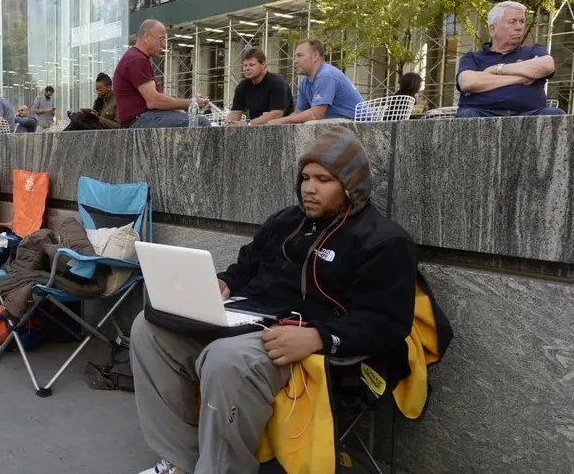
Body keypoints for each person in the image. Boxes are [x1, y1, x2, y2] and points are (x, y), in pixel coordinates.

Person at [131, 126, 417, 474]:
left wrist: (319, 337)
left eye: (323, 180)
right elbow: (247, 264)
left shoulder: (383, 241)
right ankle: (181, 461)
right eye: (306, 177)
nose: (309, 188)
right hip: (246, 316)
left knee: (226, 361)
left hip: (297, 336)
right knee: (148, 328)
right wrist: (223, 283)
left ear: (351, 185)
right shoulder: (285, 221)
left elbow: (388, 321)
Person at [455, 1, 562, 118]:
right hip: (482, 114)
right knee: (467, 115)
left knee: (555, 114)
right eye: (512, 22)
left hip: (529, 116)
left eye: (522, 22)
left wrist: (495, 70)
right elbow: (468, 83)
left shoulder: (534, 51)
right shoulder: (473, 57)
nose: (519, 27)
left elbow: (547, 65)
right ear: (493, 29)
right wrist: (523, 77)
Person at [113, 19, 211, 128]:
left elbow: (156, 99)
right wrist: (192, 103)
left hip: (142, 118)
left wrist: (180, 108)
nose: (163, 45)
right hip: (139, 120)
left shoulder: (137, 58)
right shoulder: (136, 60)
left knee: (190, 119)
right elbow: (153, 101)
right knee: (201, 123)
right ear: (146, 36)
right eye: (161, 39)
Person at [273, 40, 365, 124]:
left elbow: (315, 114)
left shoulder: (326, 75)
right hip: (341, 125)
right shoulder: (305, 82)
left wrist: (279, 121)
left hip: (361, 126)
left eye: (300, 56)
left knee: (311, 124)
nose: (295, 61)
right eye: (295, 57)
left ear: (315, 56)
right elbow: (298, 113)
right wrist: (275, 124)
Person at [228, 47, 294, 126]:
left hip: (281, 128)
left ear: (263, 65)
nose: (247, 68)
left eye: (252, 65)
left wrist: (248, 124)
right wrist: (228, 123)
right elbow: (235, 112)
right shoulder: (242, 87)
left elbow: (277, 114)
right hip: (254, 129)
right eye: (245, 65)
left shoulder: (277, 83)